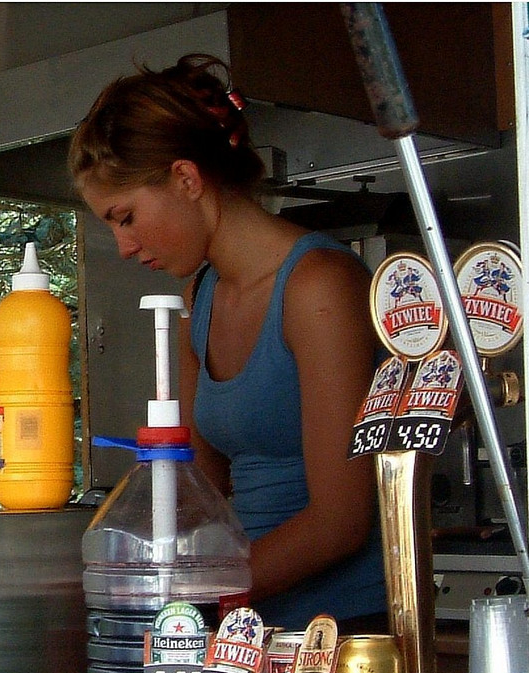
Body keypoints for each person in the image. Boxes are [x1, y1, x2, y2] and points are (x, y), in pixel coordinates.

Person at [69, 53, 388, 631]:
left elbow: (341, 520)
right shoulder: (203, 295)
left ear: (186, 179)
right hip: (250, 632)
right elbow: (203, 487)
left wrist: (196, 601)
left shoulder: (319, 286)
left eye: (125, 216)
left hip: (343, 639)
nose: (123, 245)